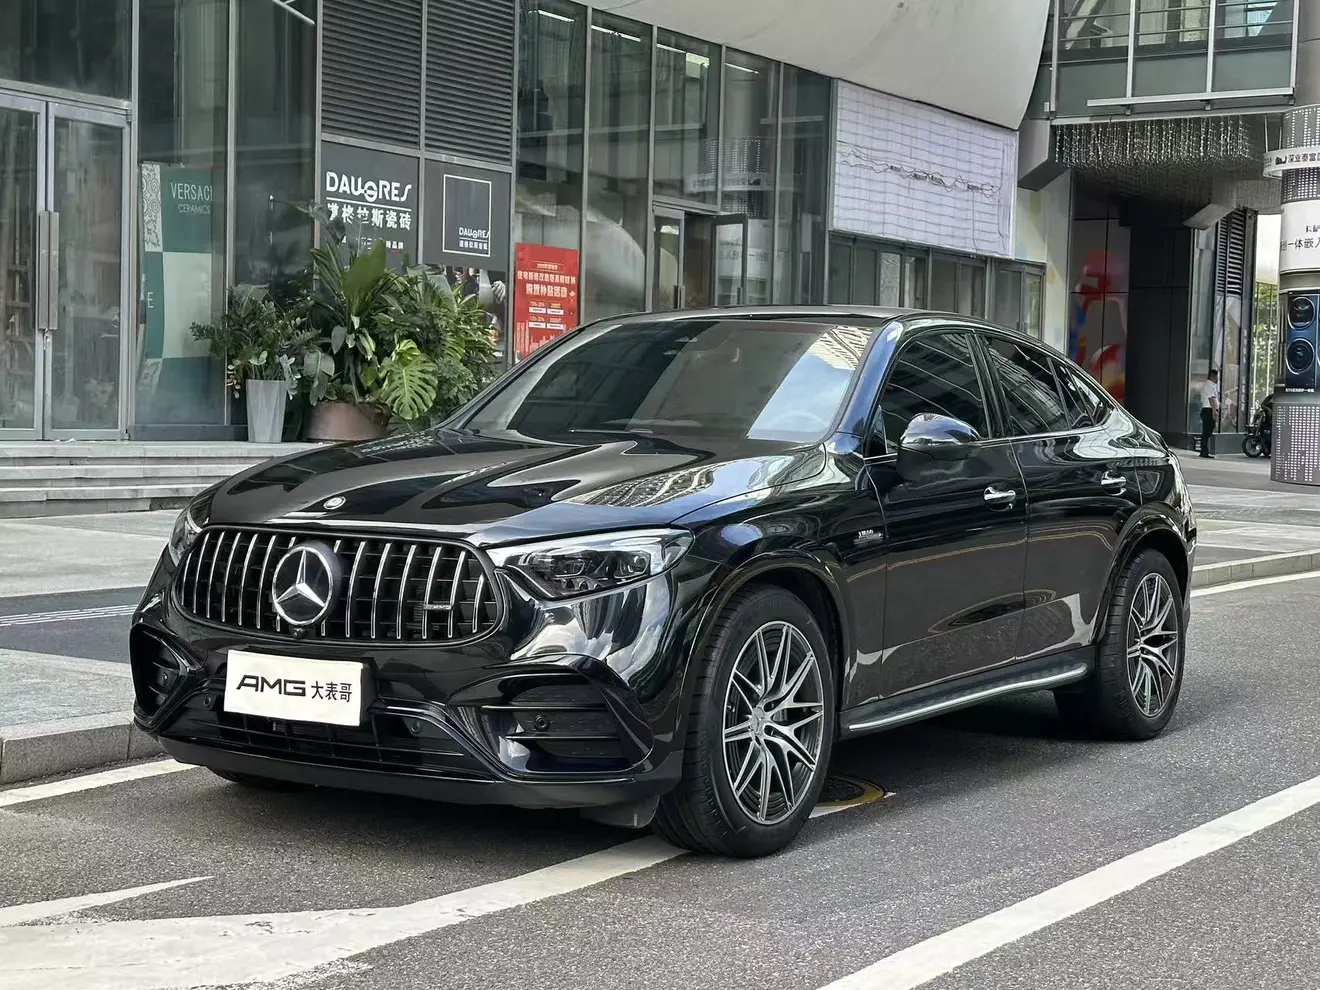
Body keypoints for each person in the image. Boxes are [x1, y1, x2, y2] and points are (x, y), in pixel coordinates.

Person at [1199, 369, 1219, 458]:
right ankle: (1204, 451)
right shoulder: (1209, 386)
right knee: (1207, 431)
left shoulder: (1211, 386)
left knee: (1207, 431)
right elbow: (1211, 399)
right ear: (1213, 376)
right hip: (1208, 410)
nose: (1217, 378)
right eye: (1216, 376)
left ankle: (1204, 450)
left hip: (1209, 410)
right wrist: (1214, 412)